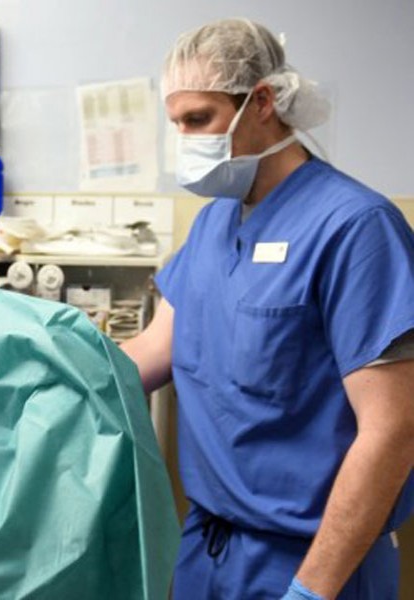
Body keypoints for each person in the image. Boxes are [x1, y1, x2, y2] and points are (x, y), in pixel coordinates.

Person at [121, 18, 413, 600]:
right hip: (208, 552)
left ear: (261, 102)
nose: (185, 140)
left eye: (199, 120)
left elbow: (394, 429)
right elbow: (150, 352)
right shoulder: (214, 224)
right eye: (176, 124)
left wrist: (313, 589)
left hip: (314, 561)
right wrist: (27, 360)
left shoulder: (356, 228)